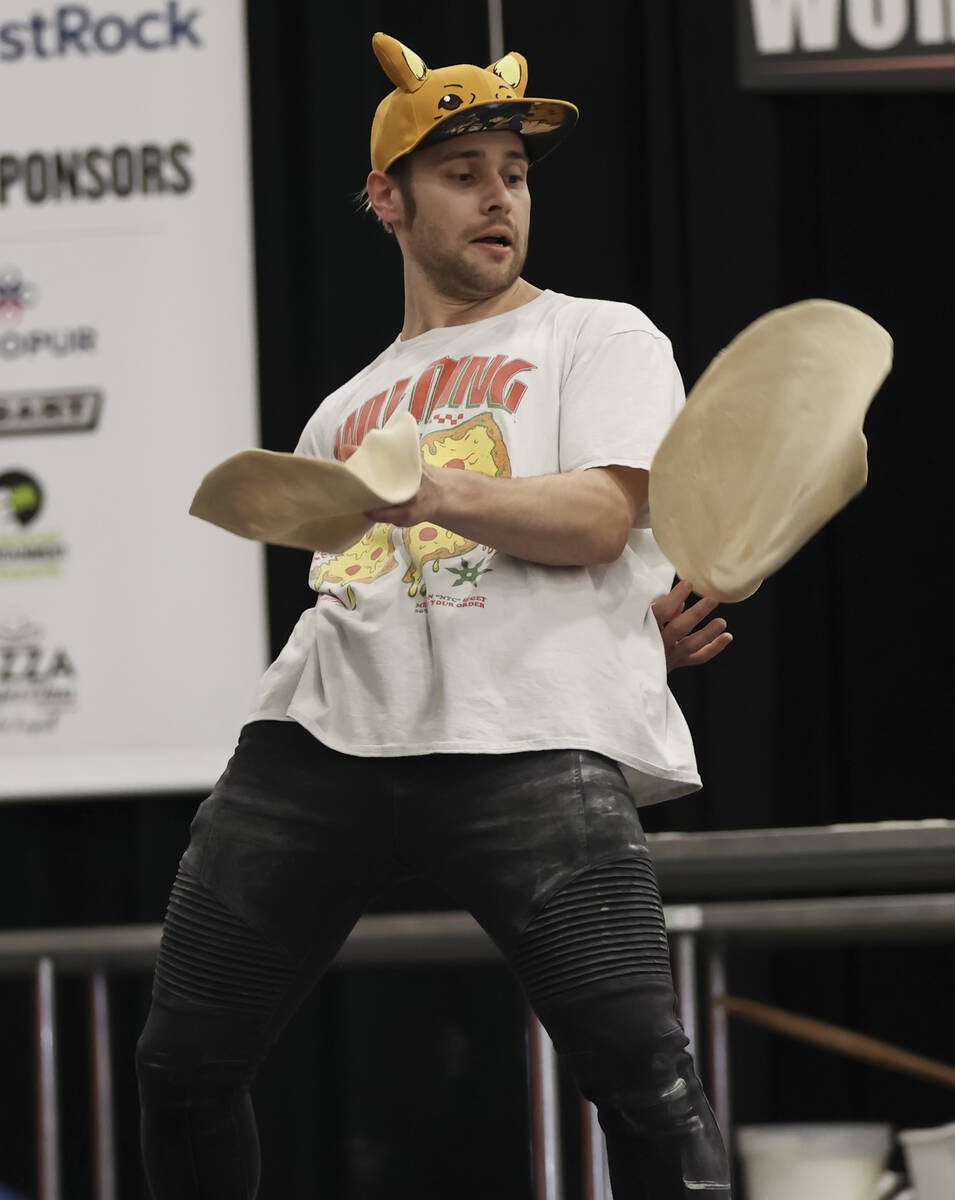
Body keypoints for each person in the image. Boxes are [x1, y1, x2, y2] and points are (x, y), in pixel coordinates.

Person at [136, 32, 733, 1199]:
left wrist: (435, 491)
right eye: (461, 173)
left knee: (644, 1076)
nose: (498, 195)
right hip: (319, 738)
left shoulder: (597, 335)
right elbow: (354, 571)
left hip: (527, 736)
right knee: (182, 1066)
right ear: (386, 197)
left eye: (512, 172)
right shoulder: (343, 407)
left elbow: (602, 523)